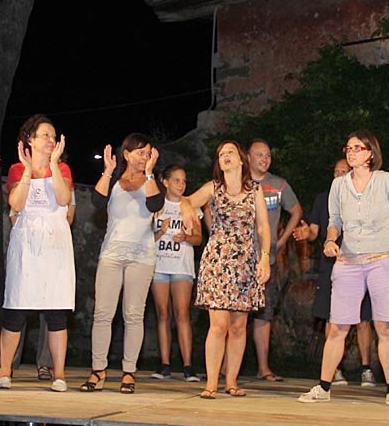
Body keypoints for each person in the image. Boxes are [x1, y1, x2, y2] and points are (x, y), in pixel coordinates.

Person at [298, 131, 389, 408]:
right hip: (348, 263)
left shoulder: (386, 181)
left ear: (371, 153)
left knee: (385, 326)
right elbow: (334, 222)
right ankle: (324, 386)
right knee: (337, 327)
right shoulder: (338, 185)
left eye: (357, 148)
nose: (351, 152)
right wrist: (330, 240)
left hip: (382, 260)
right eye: (348, 148)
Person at [181, 141, 271, 399]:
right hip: (218, 261)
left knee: (239, 326)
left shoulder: (255, 190)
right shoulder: (213, 187)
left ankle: (231, 381)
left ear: (241, 160)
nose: (226, 156)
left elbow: (263, 227)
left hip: (245, 262)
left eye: (230, 152)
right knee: (218, 325)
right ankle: (211, 383)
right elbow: (187, 201)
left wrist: (264, 258)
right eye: (222, 154)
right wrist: (187, 212)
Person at [0, 114, 74, 392]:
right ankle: (5, 370)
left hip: (55, 243)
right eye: (45, 135)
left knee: (56, 312)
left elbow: (64, 199)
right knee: (16, 309)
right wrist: (29, 171)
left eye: (54, 135)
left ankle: (59, 374)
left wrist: (52, 165)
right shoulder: (18, 169)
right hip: (27, 243)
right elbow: (16, 203)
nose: (51, 140)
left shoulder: (62, 168)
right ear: (30, 139)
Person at [83, 133, 163, 394]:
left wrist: (149, 174)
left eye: (148, 153)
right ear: (126, 154)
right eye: (140, 152)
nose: (144, 157)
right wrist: (107, 171)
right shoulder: (115, 182)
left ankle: (129, 372)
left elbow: (155, 204)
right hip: (112, 254)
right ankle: (98, 370)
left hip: (141, 257)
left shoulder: (152, 182)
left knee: (133, 315)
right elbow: (96, 201)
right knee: (102, 314)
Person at [294, 158, 377, 387]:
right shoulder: (324, 199)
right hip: (331, 265)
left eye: (343, 171)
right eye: (336, 171)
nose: (338, 175)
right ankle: (334, 369)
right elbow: (314, 231)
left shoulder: (363, 197)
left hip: (359, 263)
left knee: (363, 318)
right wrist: (306, 234)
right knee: (333, 316)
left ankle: (366, 369)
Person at [247, 139, 302, 382]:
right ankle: (225, 368)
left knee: (264, 314)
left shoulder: (278, 185)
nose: (264, 159)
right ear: (248, 157)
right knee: (233, 315)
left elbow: (296, 211)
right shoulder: (237, 183)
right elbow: (209, 206)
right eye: (259, 154)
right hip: (238, 260)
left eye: (268, 155)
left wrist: (281, 241)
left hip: (265, 261)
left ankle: (263, 368)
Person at [10, 189, 77, 381]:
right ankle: (9, 364)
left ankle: (46, 365)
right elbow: (14, 214)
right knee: (18, 307)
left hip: (54, 250)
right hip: (27, 247)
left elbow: (69, 217)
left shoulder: (64, 182)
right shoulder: (22, 176)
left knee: (53, 310)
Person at [150, 164, 203, 382]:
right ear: (165, 182)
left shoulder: (190, 205)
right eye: (176, 180)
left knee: (182, 314)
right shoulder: (155, 206)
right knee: (163, 314)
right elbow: (146, 238)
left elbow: (198, 238)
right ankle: (164, 364)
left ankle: (188, 365)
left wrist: (186, 237)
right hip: (159, 266)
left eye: (183, 181)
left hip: (182, 266)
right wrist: (161, 231)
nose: (181, 185)